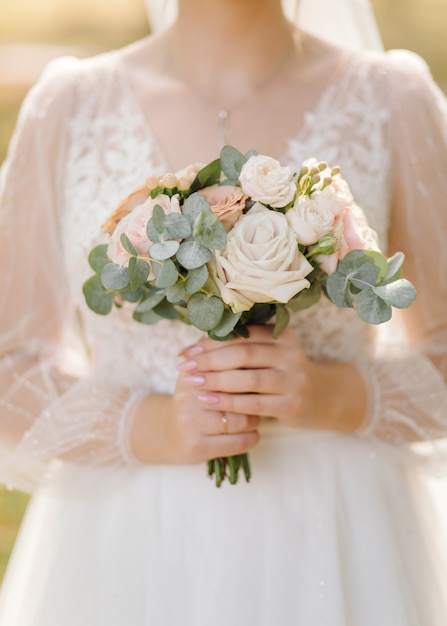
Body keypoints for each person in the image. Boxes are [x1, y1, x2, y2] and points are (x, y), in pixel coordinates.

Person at [0, 0, 446, 623]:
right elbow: (8, 367)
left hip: (335, 534)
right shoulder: (69, 106)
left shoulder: (392, 97)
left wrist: (331, 393)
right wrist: (155, 426)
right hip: (125, 547)